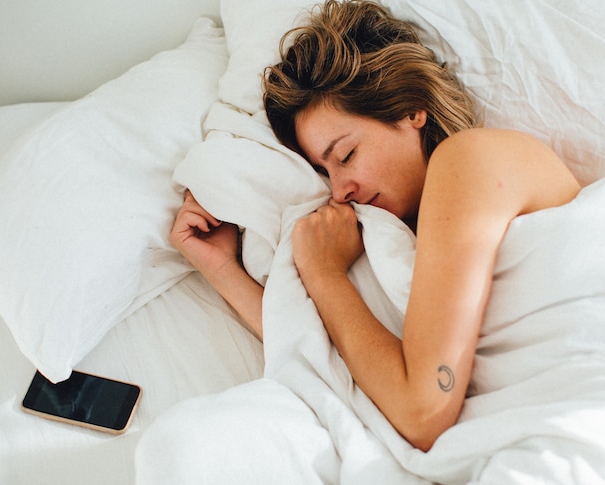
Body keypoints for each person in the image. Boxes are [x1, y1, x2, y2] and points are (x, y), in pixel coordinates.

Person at [169, 0, 581, 452]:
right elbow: (339, 361)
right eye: (325, 172)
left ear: (410, 110)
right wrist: (223, 269)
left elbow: (423, 413)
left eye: (346, 155)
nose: (340, 189)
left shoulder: (470, 159)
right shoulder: (401, 238)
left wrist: (326, 276)